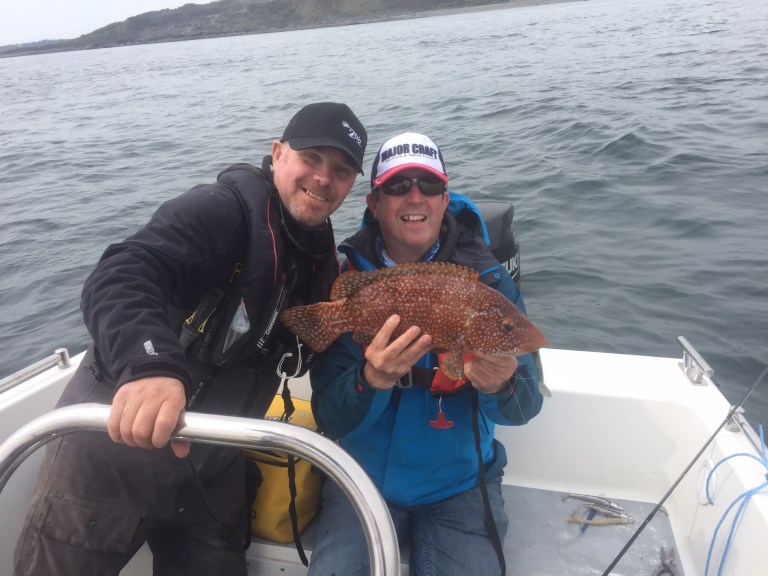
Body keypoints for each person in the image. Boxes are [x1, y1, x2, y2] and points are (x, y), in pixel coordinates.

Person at [13, 102, 368, 576]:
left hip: (213, 464)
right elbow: (121, 273)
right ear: (278, 153)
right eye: (312, 158)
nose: (324, 178)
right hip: (114, 455)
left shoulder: (316, 253)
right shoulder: (220, 209)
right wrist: (150, 365)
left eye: (341, 170)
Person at [307, 132, 544, 576]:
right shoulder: (348, 279)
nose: (414, 196)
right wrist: (370, 379)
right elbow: (330, 417)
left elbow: (526, 405)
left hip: (461, 484)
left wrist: (503, 383)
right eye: (396, 186)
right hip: (360, 479)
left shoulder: (488, 285)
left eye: (428, 184)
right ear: (374, 203)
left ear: (444, 196)